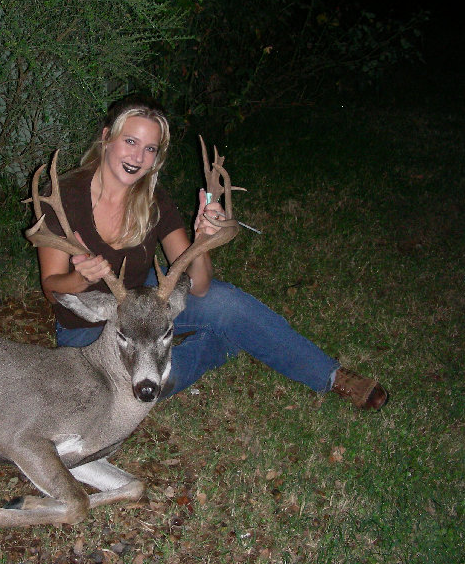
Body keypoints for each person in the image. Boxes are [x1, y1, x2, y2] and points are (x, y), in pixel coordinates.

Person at [36, 95, 387, 410]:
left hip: (147, 305)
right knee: (134, 389)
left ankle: (330, 375)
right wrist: (79, 278)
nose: (137, 157)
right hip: (91, 326)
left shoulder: (154, 200)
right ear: (106, 138)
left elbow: (201, 286)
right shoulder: (64, 198)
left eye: (150, 149)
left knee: (226, 304)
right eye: (130, 141)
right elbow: (53, 290)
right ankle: (221, 345)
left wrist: (201, 240)